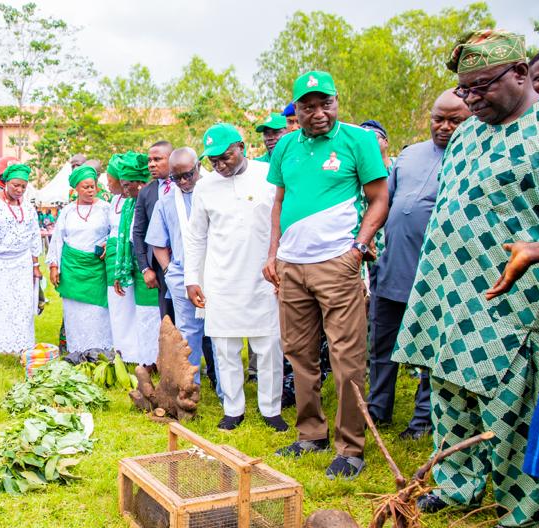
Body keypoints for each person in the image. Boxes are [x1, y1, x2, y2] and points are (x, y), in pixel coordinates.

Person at [392, 29, 539, 528]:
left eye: (482, 87)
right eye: (466, 90)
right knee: (450, 399)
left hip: (511, 304)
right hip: (447, 296)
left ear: (521, 74)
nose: (471, 99)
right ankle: (457, 487)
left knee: (507, 408)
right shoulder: (470, 133)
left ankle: (522, 515)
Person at [262, 70, 389, 480]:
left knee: (346, 357)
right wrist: (273, 254)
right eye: (308, 105)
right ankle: (310, 434)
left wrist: (358, 249)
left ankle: (350, 448)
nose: (318, 112)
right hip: (291, 265)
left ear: (336, 101)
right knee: (298, 352)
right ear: (295, 110)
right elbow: (279, 203)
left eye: (325, 103)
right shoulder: (284, 148)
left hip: (338, 262)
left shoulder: (359, 141)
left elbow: (379, 199)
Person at [367, 90, 470, 440]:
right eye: (438, 118)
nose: (443, 127)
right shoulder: (409, 155)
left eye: (454, 120)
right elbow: (385, 203)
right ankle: (377, 408)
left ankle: (423, 420)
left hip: (437, 276)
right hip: (393, 266)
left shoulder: (472, 158)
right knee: (381, 345)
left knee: (430, 349)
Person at [185, 124, 287, 432]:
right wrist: (192, 278)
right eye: (213, 161)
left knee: (269, 345)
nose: (219, 165)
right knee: (225, 347)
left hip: (263, 277)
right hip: (221, 279)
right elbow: (196, 236)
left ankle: (271, 409)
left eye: (225, 157)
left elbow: (282, 220)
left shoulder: (267, 176)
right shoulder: (205, 187)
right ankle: (233, 408)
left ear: (241, 147)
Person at [146, 147, 220, 393]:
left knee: (220, 333)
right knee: (188, 334)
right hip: (181, 274)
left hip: (217, 271)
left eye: (188, 175)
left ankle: (225, 389)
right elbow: (157, 242)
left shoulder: (214, 192)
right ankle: (190, 389)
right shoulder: (166, 201)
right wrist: (169, 271)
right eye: (177, 178)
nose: (184, 182)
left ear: (198, 167)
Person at [0, 162, 42, 371]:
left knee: (22, 307)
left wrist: (35, 265)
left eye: (23, 186)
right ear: (5, 184)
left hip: (21, 263)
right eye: (15, 186)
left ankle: (23, 350)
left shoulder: (28, 207)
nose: (19, 190)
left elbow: (34, 236)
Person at [48, 164, 112, 354]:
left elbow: (115, 232)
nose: (90, 190)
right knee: (75, 313)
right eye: (85, 187)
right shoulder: (67, 211)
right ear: (76, 189)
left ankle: (100, 351)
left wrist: (108, 243)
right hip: (72, 269)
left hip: (96, 269)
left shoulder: (105, 209)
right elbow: (58, 239)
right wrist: (54, 266)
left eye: (93, 186)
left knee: (98, 312)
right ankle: (77, 351)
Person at [106, 153, 159, 365]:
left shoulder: (151, 200)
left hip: (151, 266)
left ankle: (155, 361)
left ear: (140, 183)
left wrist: (148, 268)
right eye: (123, 185)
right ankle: (143, 360)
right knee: (142, 317)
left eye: (128, 185)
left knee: (152, 317)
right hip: (137, 267)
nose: (124, 190)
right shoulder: (129, 204)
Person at [132, 141, 176, 320]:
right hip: (160, 266)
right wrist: (145, 268)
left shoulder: (189, 185)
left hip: (188, 261)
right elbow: (138, 232)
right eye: (150, 160)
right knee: (167, 318)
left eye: (157, 159)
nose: (151, 164)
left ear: (171, 159)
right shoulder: (146, 192)